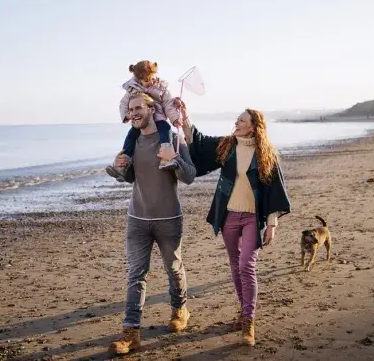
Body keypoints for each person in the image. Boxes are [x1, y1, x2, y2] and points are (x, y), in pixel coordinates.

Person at [176, 98, 291, 347]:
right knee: (235, 264)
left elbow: (273, 189)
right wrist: (185, 117)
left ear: (253, 127)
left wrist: (272, 223)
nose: (236, 123)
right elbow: (199, 142)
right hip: (228, 215)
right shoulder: (227, 146)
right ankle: (243, 309)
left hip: (252, 218)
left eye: (241, 120)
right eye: (237, 119)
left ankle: (249, 321)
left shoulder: (265, 154)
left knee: (246, 265)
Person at [108, 93, 196, 355]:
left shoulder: (172, 138)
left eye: (138, 108)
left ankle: (180, 309)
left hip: (168, 218)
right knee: (136, 275)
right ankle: (131, 333)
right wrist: (118, 166)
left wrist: (173, 158)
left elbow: (189, 176)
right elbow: (128, 177)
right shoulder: (132, 142)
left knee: (173, 268)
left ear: (151, 109)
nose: (133, 112)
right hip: (137, 219)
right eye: (130, 108)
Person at [106, 60, 182, 181]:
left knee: (166, 129)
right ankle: (123, 164)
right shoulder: (132, 89)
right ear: (138, 80)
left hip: (159, 118)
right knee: (131, 135)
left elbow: (168, 104)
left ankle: (166, 159)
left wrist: (175, 119)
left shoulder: (161, 87)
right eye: (146, 81)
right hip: (141, 121)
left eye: (152, 78)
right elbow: (123, 103)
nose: (150, 82)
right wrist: (127, 115)